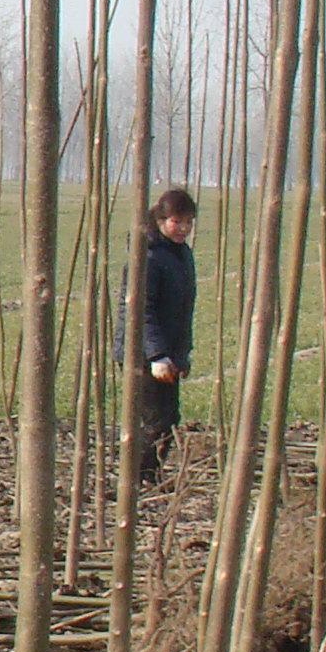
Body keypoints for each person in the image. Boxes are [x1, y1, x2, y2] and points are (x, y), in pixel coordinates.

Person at [129, 188, 199, 488]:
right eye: (176, 221)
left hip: (168, 353)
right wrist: (157, 355)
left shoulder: (181, 254)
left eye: (188, 222)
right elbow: (142, 312)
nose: (183, 228)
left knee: (169, 419)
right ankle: (138, 478)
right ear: (160, 220)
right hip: (144, 354)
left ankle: (148, 474)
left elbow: (181, 311)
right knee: (156, 420)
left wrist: (181, 354)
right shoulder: (148, 256)